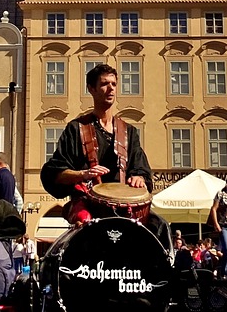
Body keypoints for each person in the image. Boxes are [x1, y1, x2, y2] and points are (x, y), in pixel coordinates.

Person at [40, 63, 167, 245]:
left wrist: (139, 177)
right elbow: (54, 173)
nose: (111, 89)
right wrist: (82, 174)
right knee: (86, 225)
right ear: (91, 89)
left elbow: (141, 170)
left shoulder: (128, 132)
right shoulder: (76, 129)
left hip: (126, 209)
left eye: (114, 84)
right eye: (104, 84)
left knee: (160, 227)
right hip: (88, 204)